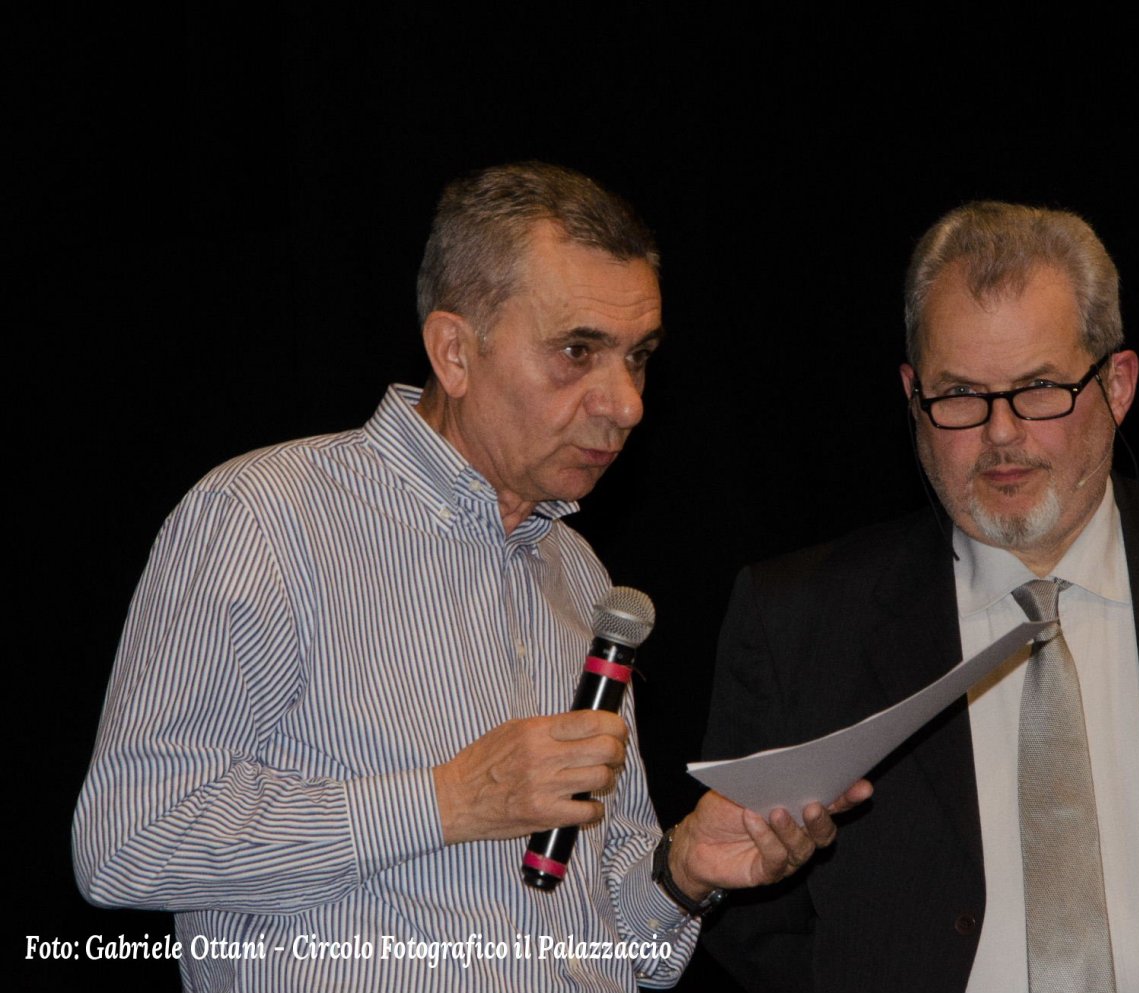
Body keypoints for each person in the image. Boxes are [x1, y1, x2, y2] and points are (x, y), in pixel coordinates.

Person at [73, 162, 867, 992]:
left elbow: (614, 940)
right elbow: (128, 843)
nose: (627, 402)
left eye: (638, 357)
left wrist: (684, 870)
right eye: (578, 351)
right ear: (455, 351)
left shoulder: (579, 572)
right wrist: (445, 801)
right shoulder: (268, 519)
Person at [700, 202, 1139, 993]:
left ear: (1118, 383)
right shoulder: (797, 623)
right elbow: (752, 911)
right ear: (912, 395)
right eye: (960, 394)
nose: (1001, 434)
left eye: (1039, 388)